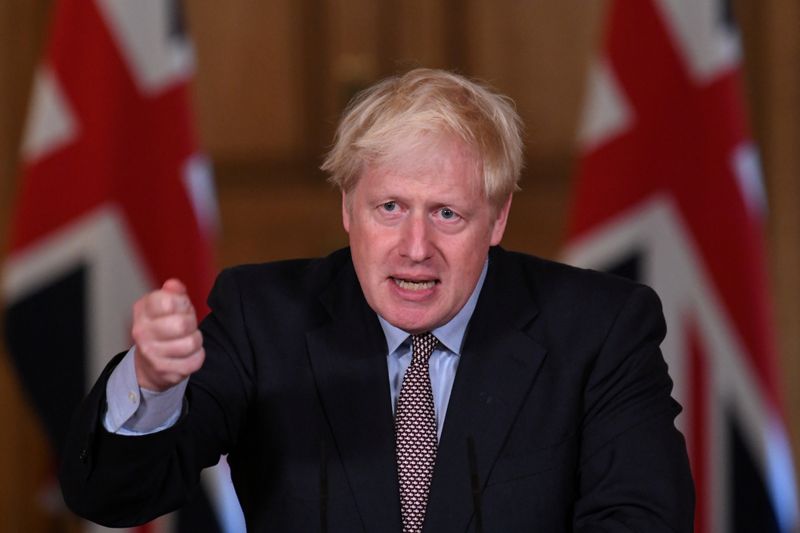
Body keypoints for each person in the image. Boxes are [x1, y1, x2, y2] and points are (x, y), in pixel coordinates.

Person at [60, 68, 694, 532]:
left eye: (447, 213)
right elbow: (113, 497)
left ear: (497, 219)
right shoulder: (265, 317)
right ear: (347, 209)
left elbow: (641, 521)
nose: (414, 247)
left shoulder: (601, 328)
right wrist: (151, 383)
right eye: (389, 208)